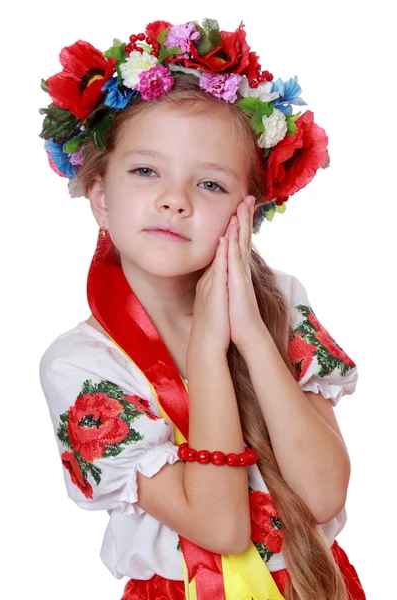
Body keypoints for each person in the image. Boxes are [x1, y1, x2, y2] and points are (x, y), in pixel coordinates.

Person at [38, 18, 366, 600]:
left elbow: (322, 496)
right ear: (100, 197)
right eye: (145, 171)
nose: (174, 199)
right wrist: (208, 348)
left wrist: (254, 338)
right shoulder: (80, 364)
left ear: (248, 213)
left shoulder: (280, 304)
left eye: (210, 185)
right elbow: (222, 528)